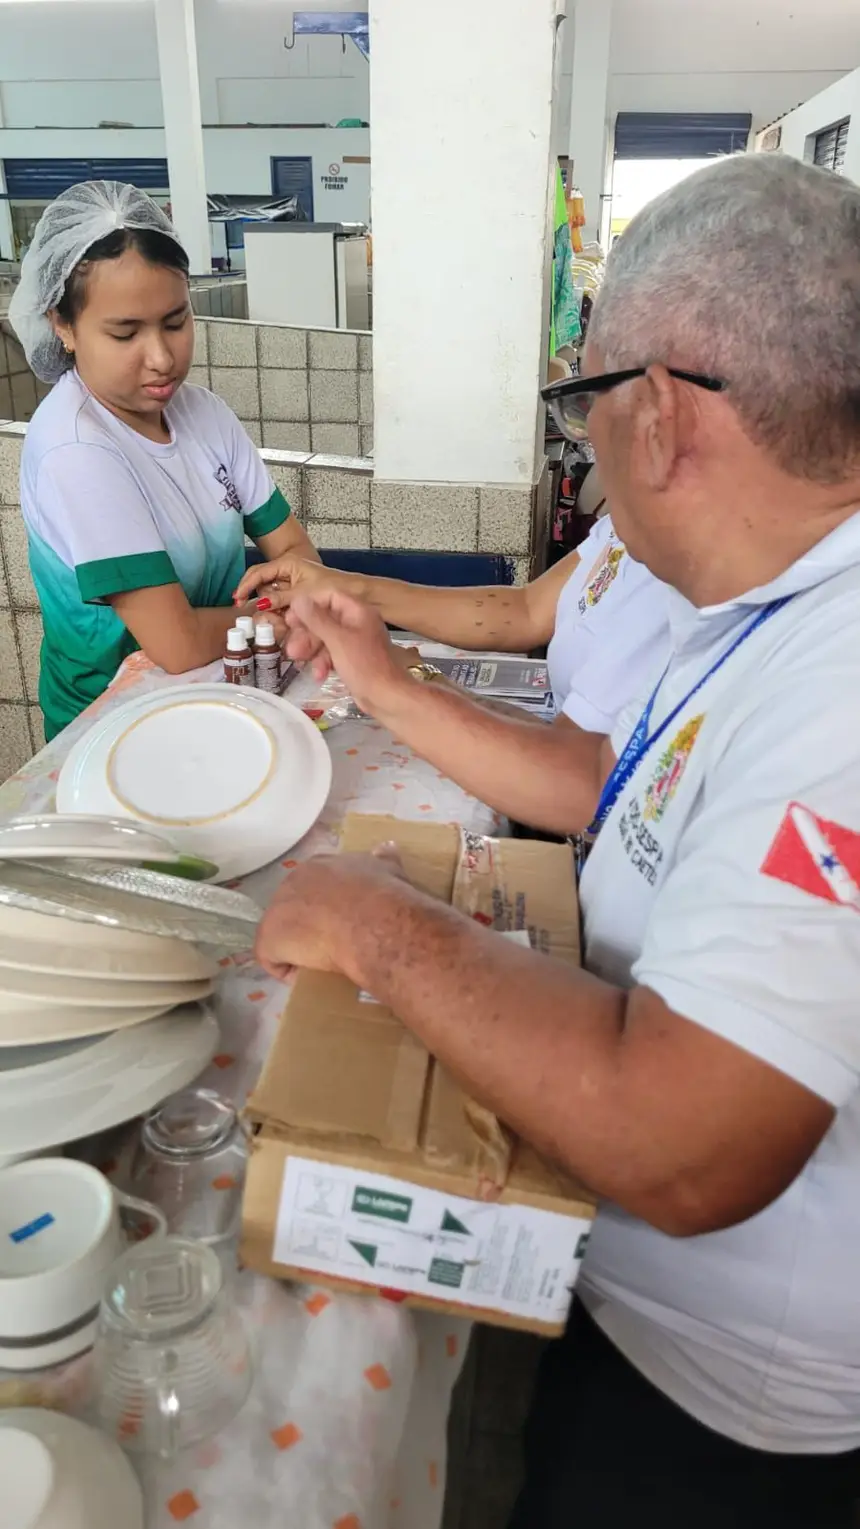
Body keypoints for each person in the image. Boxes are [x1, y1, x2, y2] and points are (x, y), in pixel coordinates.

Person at [253, 153, 860, 1527]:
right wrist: (394, 684)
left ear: (659, 416)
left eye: (582, 412)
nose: (582, 456)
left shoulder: (840, 689)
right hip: (660, 1326)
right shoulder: (768, 612)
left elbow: (685, 1142)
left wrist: (374, 919)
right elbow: (620, 784)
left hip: (730, 1416)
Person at [9, 181, 318, 739]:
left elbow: (296, 553)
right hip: (114, 725)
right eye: (125, 333)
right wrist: (278, 614)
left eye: (175, 322)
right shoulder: (75, 450)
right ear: (62, 325)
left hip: (221, 689)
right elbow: (174, 644)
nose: (162, 358)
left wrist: (283, 603)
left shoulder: (204, 414)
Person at [235, 491, 671, 836]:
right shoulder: (628, 522)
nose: (589, 430)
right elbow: (525, 609)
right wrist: (352, 592)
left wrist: (388, 687)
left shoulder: (669, 586)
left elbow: (583, 787)